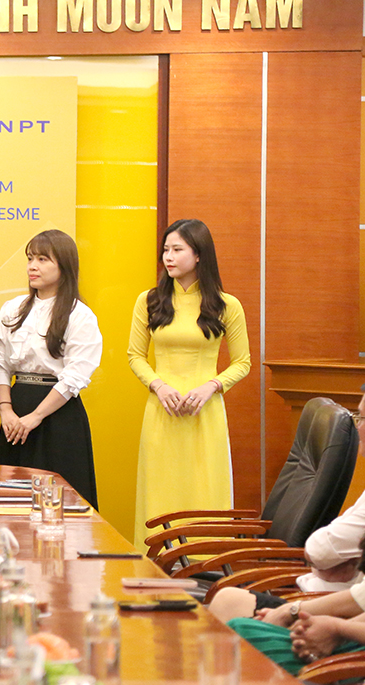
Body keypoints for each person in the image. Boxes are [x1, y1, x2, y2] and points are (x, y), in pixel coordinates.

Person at [128, 218, 250, 541]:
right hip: (162, 411)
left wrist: (212, 386)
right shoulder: (149, 301)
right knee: (159, 489)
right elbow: (135, 356)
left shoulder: (227, 305)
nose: (168, 257)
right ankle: (157, 559)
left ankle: (206, 559)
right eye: (165, 250)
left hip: (205, 413)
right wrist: (158, 385)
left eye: (177, 250)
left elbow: (243, 363)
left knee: (205, 488)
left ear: (198, 255)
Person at [209, 391, 365, 623]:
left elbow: (319, 550)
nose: (358, 427)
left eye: (361, 418)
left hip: (324, 610)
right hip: (313, 598)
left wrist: (293, 611)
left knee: (227, 606)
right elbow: (321, 549)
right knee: (227, 601)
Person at [0, 229, 101, 509]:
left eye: (42, 259)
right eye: (30, 258)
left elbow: (76, 375)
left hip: (58, 415)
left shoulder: (79, 314)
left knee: (60, 504)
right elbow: (0, 363)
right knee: (12, 501)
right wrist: (6, 409)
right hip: (16, 414)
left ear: (64, 265)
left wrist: (36, 416)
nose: (32, 266)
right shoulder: (13, 309)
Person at [224, 561, 365, 675]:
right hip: (342, 622)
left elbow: (319, 553)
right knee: (231, 605)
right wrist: (301, 620)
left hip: (354, 652)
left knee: (239, 629)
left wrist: (338, 628)